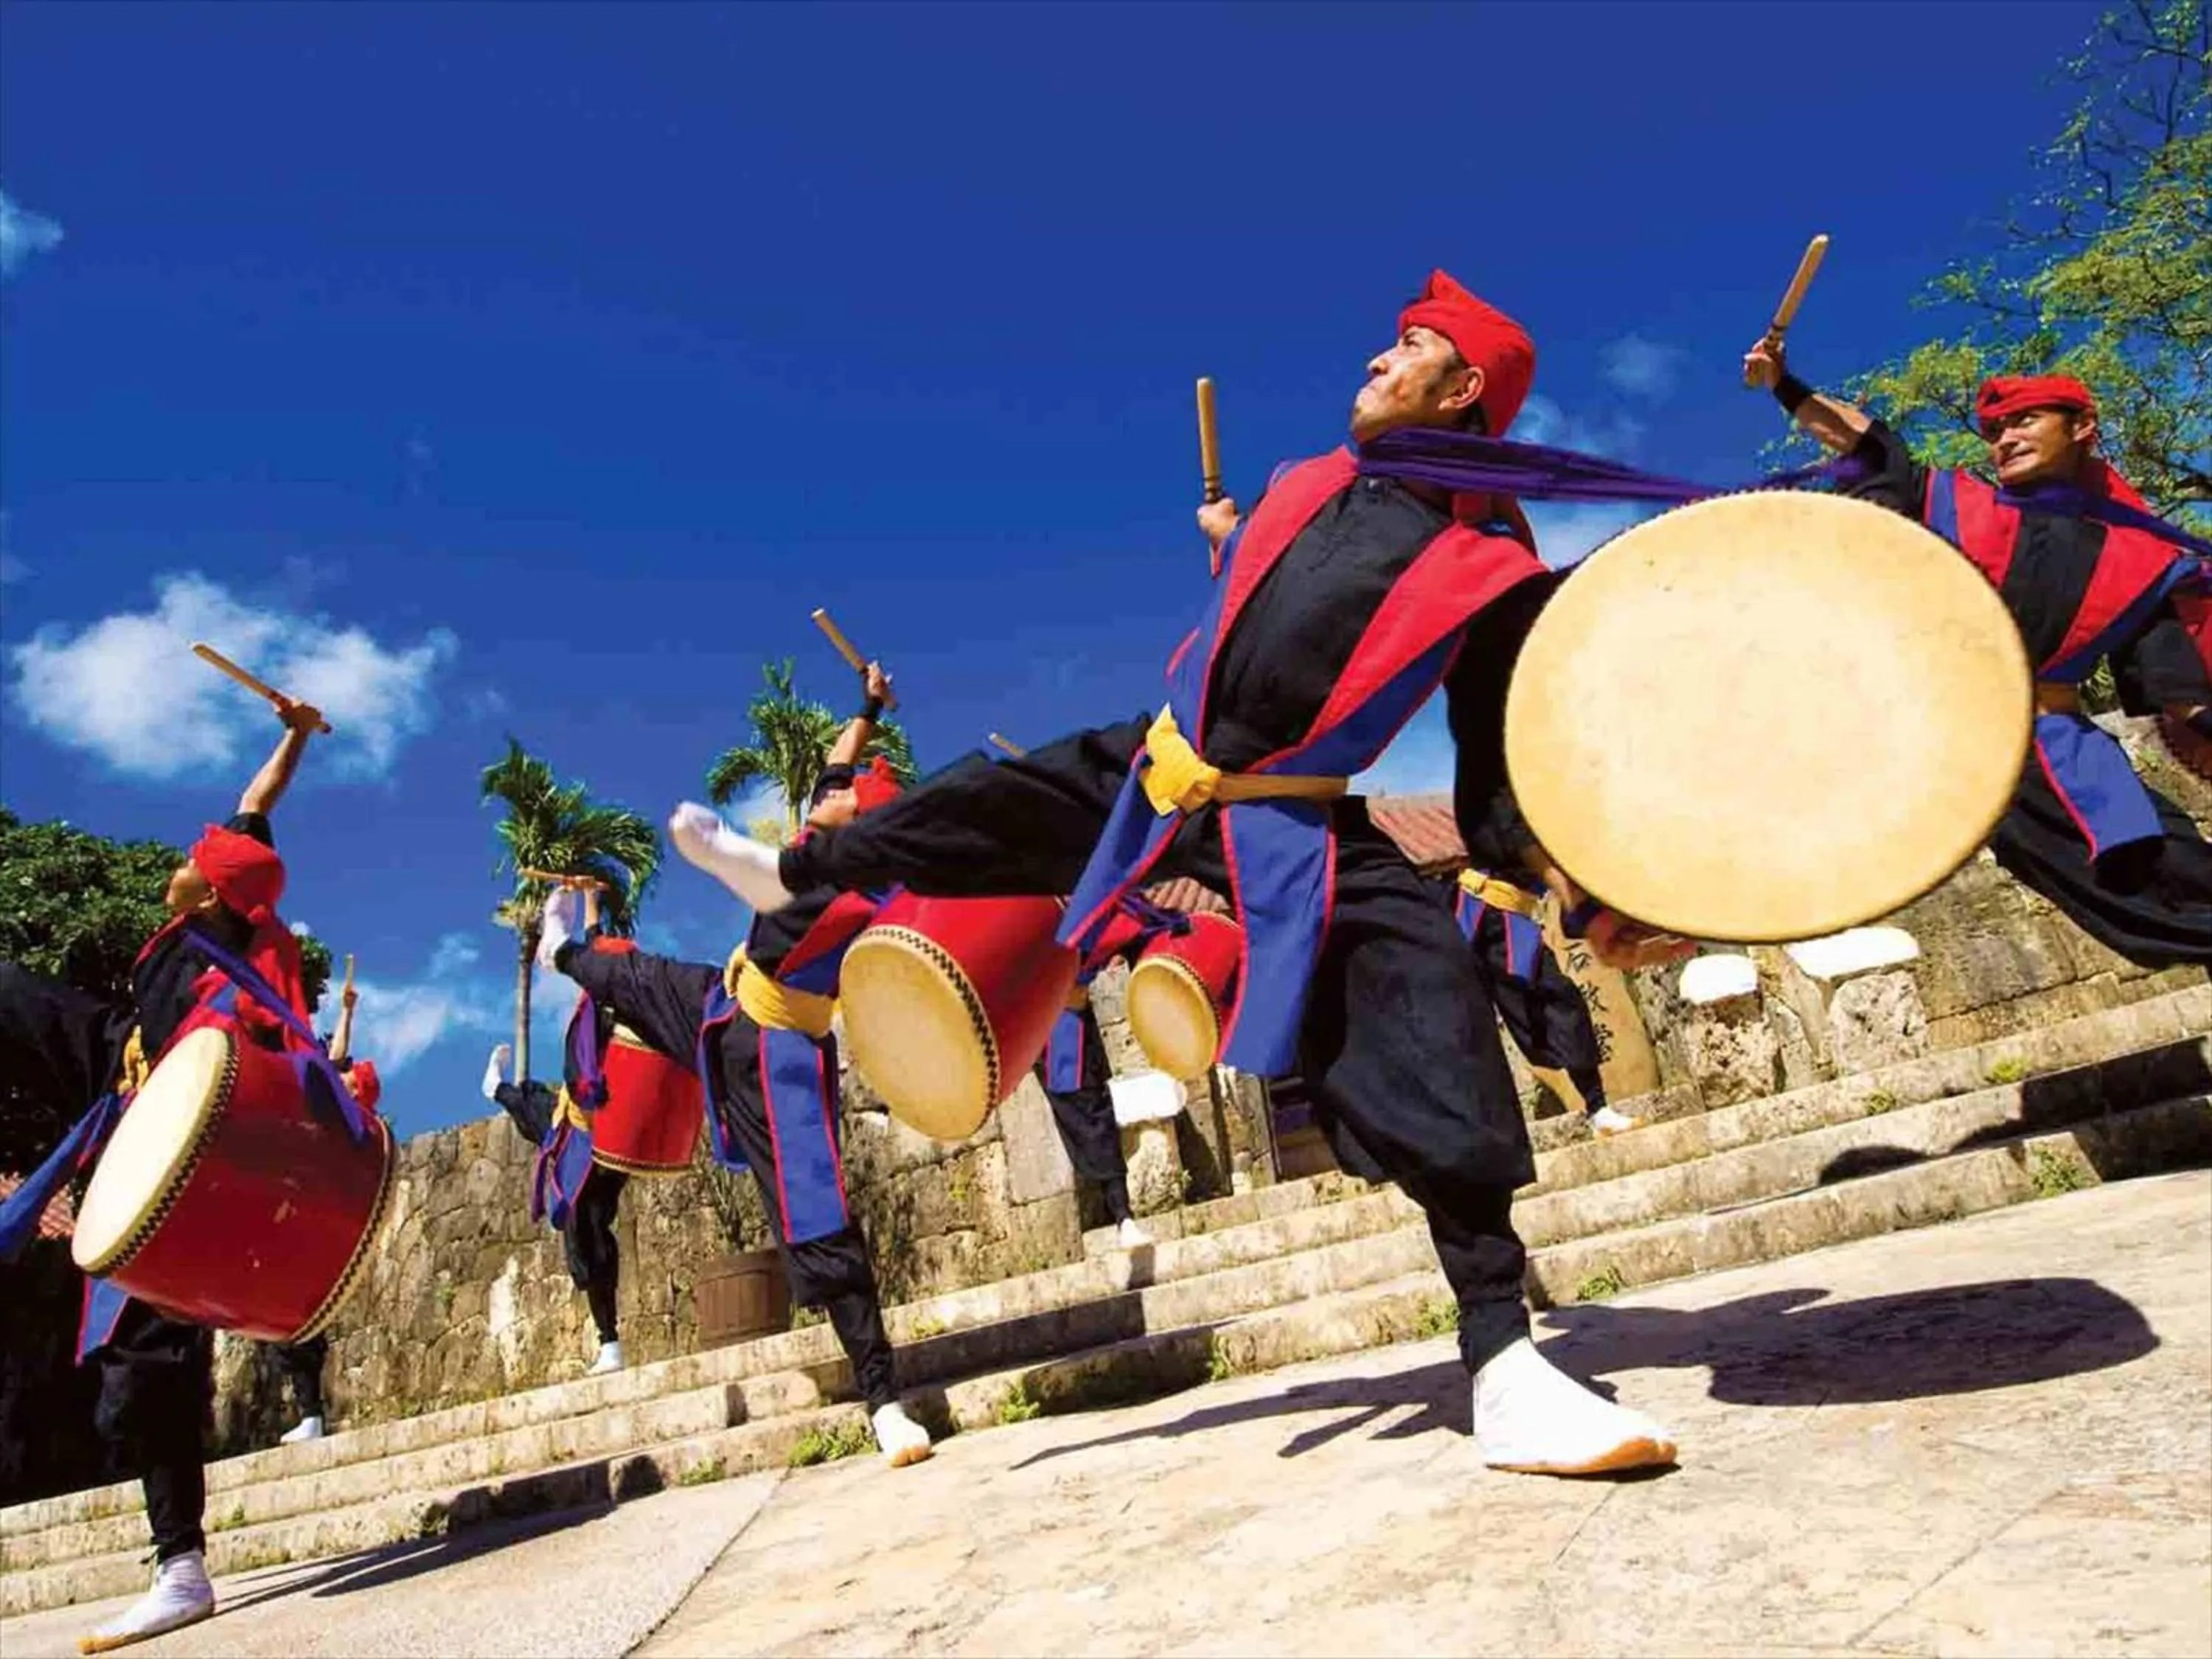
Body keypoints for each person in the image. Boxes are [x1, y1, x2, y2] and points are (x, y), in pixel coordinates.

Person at [668, 272, 1683, 1477]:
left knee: (1434, 1013)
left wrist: (1573, 879)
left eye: (1409, 346)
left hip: (1290, 815)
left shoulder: (1488, 554)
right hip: (1160, 763)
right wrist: (1236, 545)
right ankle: (794, 875)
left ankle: (1505, 1364)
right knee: (982, 804)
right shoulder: (1311, 483)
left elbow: (1497, 735)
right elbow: (1263, 620)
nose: (1377, 356)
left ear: (1464, 390)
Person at [0, 696, 330, 1652]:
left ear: (214, 891)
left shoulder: (231, 951)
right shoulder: (189, 932)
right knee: (11, 993)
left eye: (196, 857)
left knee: (138, 1368)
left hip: (184, 1140)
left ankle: (180, 1567)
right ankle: (177, 1561)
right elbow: (258, 796)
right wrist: (295, 732)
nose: (181, 857)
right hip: (127, 1061)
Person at [547, 662, 933, 1468]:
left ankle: (884, 1401)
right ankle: (560, 952)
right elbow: (837, 755)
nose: (827, 793)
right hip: (722, 1004)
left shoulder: (864, 890)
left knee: (820, 1218)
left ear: (862, 831)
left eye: (843, 796)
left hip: (777, 1057)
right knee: (633, 975)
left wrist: (722, 851)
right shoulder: (820, 835)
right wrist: (868, 704)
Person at [1746, 341, 2212, 967]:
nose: (2005, 439)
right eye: (1995, 431)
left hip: (2067, 760)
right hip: (1974, 764)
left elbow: (2174, 686)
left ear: (2082, 427)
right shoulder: (1959, 507)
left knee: (2179, 885)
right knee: (2153, 916)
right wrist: (1785, 384)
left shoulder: (2140, 558)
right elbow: (1871, 446)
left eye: (2025, 421)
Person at [1452, 869, 1639, 1138]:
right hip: (1453, 915)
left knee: (1560, 999)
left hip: (1501, 912)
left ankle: (1598, 1109)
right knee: (1460, 1027)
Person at [481, 1040, 631, 1377]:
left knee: (592, 1237)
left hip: (604, 1140)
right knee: (534, 1106)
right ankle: (497, 1089)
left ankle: (610, 1343)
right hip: (575, 1127)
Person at [271, 970, 373, 1444]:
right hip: (288, 1211)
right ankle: (308, 1412)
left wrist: (348, 1012)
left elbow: (334, 1059)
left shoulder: (339, 1114)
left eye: (351, 1081)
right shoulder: (305, 1089)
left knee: (299, 1315)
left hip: (305, 1220)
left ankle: (312, 1412)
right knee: (282, 1318)